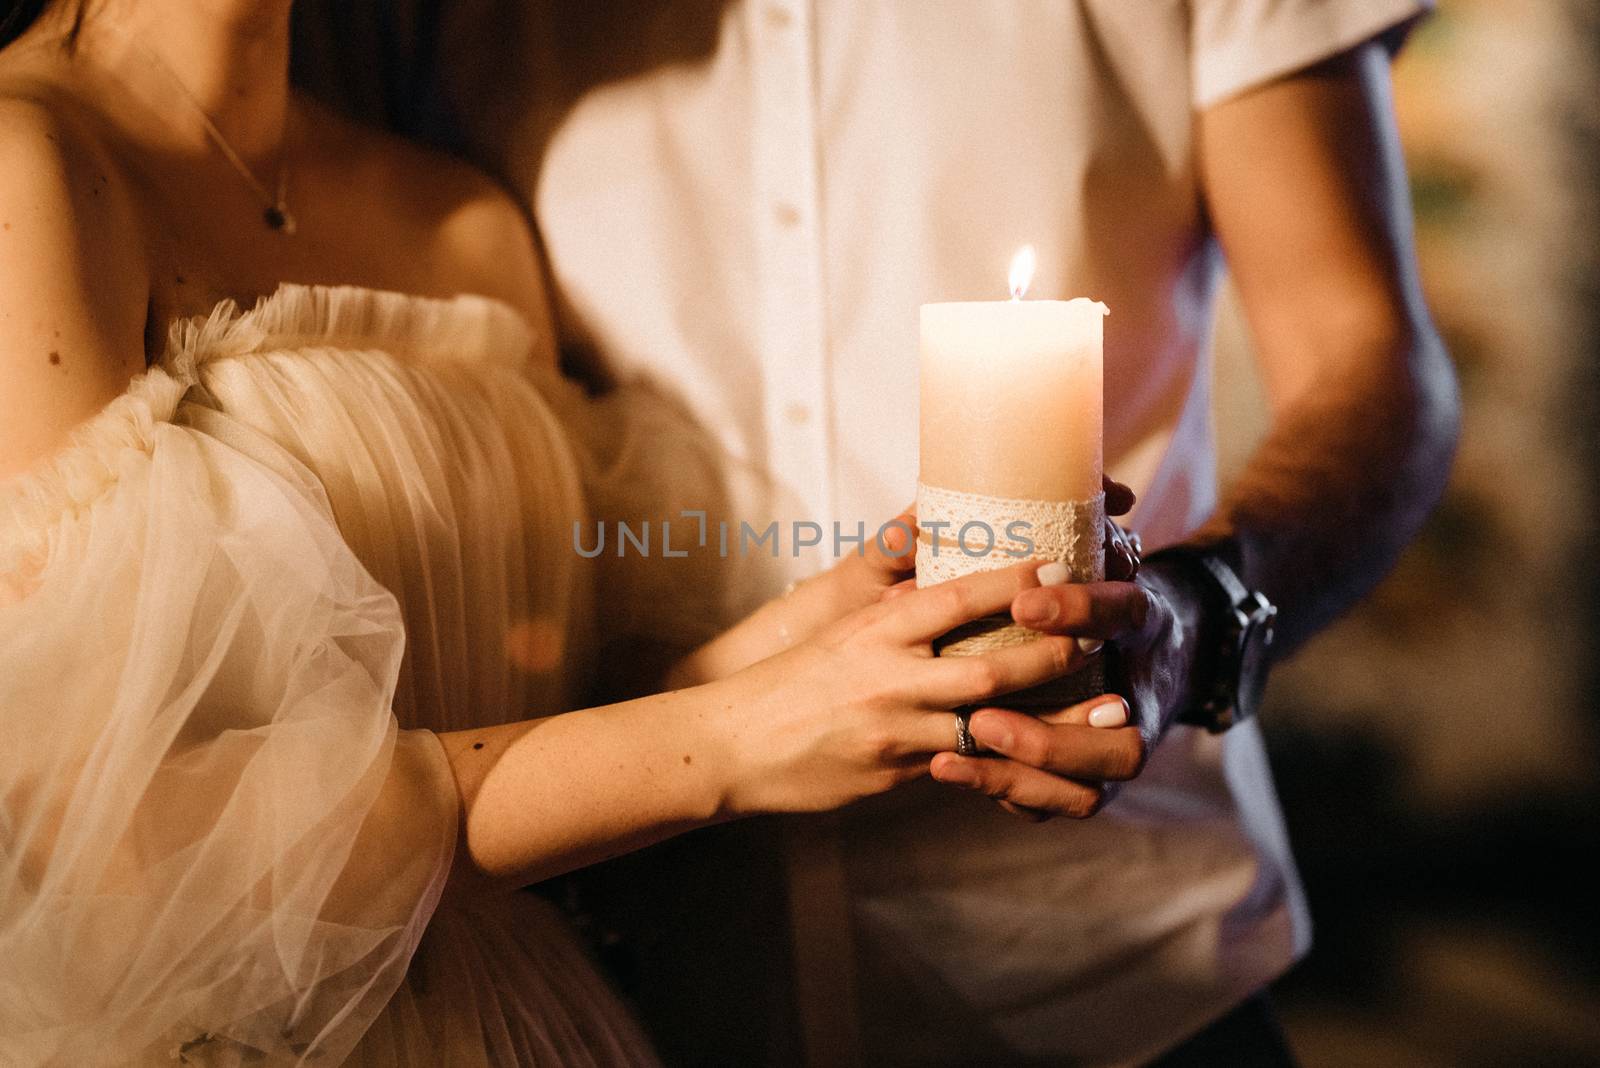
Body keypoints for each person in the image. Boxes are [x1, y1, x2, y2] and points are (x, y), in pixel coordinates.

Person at [0, 2, 1146, 1063]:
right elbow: (102, 853)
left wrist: (826, 649)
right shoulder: (29, 167)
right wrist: (736, 736)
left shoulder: (464, 217)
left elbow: (552, 725)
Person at [418, 0, 1462, 1063]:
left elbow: (1367, 356)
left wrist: (1198, 613)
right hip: (634, 987)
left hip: (1118, 974)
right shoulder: (402, 26)